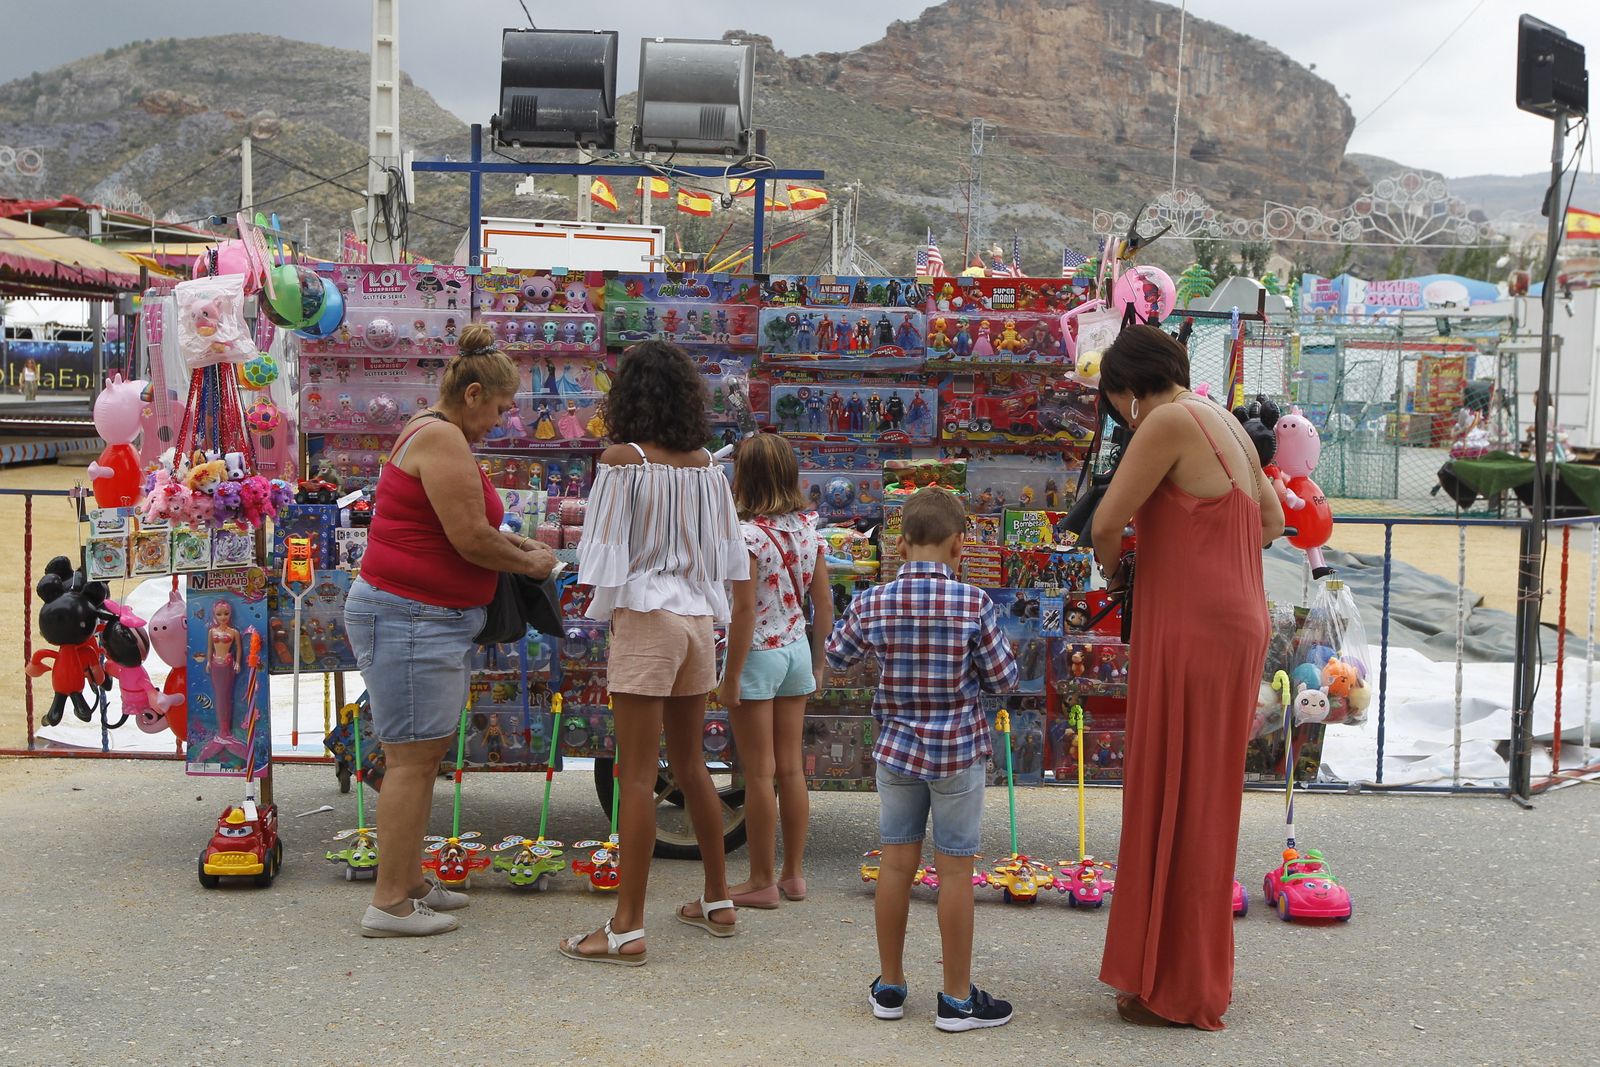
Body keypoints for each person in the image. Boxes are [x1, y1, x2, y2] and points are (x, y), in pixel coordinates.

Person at [1090, 324, 1286, 1029]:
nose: (1116, 414)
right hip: (1234, 619)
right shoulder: (1220, 418)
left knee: (1173, 791)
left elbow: (1105, 524)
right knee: (1203, 796)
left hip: (1192, 627)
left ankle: (1172, 985)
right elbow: (1272, 519)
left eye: (1115, 400)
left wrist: (1126, 567)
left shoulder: (1164, 420)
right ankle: (1178, 971)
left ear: (1126, 389)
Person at [345, 322, 557, 938]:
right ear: (471, 395)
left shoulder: (432, 434)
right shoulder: (440, 439)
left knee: (423, 751)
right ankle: (388, 903)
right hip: (412, 616)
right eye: (499, 407)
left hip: (423, 618)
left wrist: (515, 543)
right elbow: (468, 538)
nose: (502, 420)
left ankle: (409, 881)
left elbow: (465, 526)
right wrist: (530, 561)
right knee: (410, 759)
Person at [561, 339, 748, 966]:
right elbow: (728, 557)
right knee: (693, 766)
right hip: (698, 619)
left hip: (646, 615)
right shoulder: (706, 465)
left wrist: (602, 607)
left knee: (636, 778)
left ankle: (626, 927)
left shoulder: (623, 459)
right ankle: (719, 900)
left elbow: (604, 552)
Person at [826, 487, 1019, 1032]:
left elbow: (837, 658)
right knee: (955, 872)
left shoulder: (873, 602)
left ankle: (889, 987)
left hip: (897, 750)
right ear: (960, 545)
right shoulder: (973, 603)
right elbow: (1004, 680)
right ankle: (957, 1000)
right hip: (958, 750)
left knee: (895, 865)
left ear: (901, 543)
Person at [715, 433, 832, 909]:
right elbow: (823, 603)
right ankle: (793, 875)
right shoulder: (809, 528)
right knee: (791, 769)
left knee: (758, 774)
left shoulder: (745, 537)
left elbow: (743, 613)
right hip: (797, 651)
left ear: (744, 477)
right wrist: (820, 661)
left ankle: (759, 880)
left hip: (757, 655)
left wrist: (729, 677)